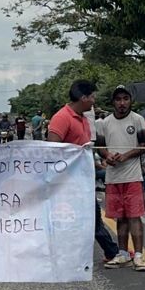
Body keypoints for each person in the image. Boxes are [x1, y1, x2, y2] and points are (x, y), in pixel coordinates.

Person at [47, 79, 122, 266]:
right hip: (67, 181)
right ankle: (110, 251)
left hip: (83, 178)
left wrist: (100, 164)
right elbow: (52, 150)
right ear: (83, 97)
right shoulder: (62, 117)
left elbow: (86, 148)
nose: (94, 100)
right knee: (80, 216)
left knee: (89, 215)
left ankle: (109, 251)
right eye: (92, 97)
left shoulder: (83, 119)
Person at [96, 87, 145, 271]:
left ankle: (139, 256)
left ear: (130, 101)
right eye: (118, 99)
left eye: (125, 99)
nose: (122, 103)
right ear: (113, 102)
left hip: (133, 176)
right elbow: (100, 147)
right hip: (113, 177)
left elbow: (144, 146)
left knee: (134, 216)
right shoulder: (103, 123)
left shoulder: (138, 119)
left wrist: (125, 156)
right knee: (120, 217)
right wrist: (108, 156)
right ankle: (123, 253)